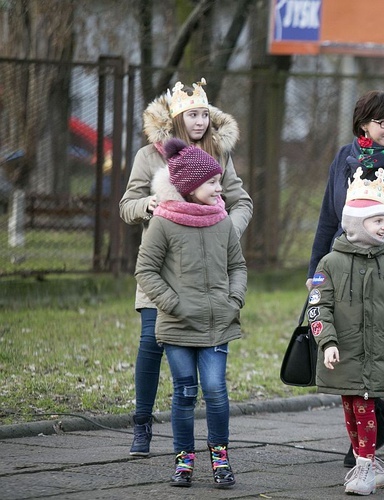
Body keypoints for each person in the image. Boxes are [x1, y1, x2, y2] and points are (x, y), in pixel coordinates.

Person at [119, 78, 253, 457]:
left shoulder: (219, 156)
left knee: (208, 375)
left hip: (207, 272)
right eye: (192, 115)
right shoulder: (149, 156)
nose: (200, 122)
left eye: (205, 115)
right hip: (163, 267)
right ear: (177, 119)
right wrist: (151, 206)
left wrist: (224, 230)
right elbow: (126, 205)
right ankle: (142, 422)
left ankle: (207, 448)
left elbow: (242, 202)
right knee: (151, 342)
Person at [305, 90, 384, 464]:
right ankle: (369, 428)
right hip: (342, 272)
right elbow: (329, 218)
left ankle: (371, 427)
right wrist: (316, 272)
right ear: (364, 124)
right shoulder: (343, 158)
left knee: (381, 351)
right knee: (351, 348)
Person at [134, 138, 247, 488]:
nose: (219, 188)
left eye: (218, 182)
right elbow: (145, 270)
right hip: (178, 325)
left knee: (214, 389)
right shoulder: (164, 223)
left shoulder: (223, 222)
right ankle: (184, 459)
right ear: (190, 186)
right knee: (184, 391)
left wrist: (234, 300)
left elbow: (238, 266)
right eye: (212, 182)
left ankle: (220, 456)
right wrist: (172, 304)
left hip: (217, 324)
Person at [308, 166, 384, 496]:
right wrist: (326, 341)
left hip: (374, 356)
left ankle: (365, 468)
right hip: (342, 354)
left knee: (365, 408)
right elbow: (318, 306)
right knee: (350, 407)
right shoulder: (328, 264)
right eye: (377, 222)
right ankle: (369, 466)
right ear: (358, 225)